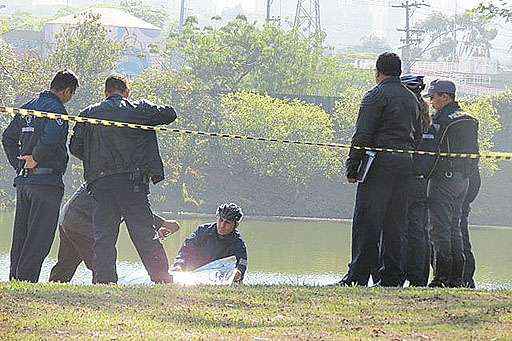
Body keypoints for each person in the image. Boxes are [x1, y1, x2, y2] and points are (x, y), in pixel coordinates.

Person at [69, 74, 177, 284]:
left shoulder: (88, 113)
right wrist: (143, 105)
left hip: (101, 183)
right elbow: (170, 114)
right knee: (145, 233)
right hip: (132, 182)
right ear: (126, 92)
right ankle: (162, 278)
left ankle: (104, 280)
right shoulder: (137, 109)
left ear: (106, 92)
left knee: (104, 236)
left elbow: (75, 147)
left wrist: (96, 160)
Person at [339, 53, 421, 287]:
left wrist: (352, 166)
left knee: (367, 221)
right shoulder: (412, 98)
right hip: (405, 164)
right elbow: (416, 136)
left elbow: (362, 135)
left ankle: (358, 276)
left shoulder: (375, 95)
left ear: (378, 72)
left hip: (378, 164)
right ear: (398, 71)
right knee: (396, 223)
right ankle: (392, 277)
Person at [2, 70, 79, 282]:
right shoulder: (56, 110)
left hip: (25, 181)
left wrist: (20, 164)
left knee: (22, 235)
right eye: (70, 94)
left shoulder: (27, 107)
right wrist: (35, 158)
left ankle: (16, 279)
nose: (69, 99)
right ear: (66, 91)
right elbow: (52, 137)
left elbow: (7, 137)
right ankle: (26, 280)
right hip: (46, 183)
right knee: (39, 237)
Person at [49, 185, 180, 283]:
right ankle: (103, 294)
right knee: (101, 264)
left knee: (66, 263)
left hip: (67, 218)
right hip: (83, 221)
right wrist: (163, 223)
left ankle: (54, 291)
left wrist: (158, 225)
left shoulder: (107, 173)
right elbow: (135, 210)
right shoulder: (126, 182)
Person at [423, 79, 479, 288]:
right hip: (463, 180)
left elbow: (430, 151)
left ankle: (441, 277)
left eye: (433, 96)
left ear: (445, 96)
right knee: (455, 227)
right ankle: (458, 277)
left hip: (442, 180)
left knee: (439, 229)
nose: (431, 101)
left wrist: (422, 174)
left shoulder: (442, 119)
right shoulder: (469, 119)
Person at [401, 74, 432, 286]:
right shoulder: (428, 120)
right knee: (418, 230)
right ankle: (419, 278)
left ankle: (395, 274)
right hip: (423, 181)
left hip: (405, 179)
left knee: (398, 228)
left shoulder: (406, 117)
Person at [172, 203, 248, 283]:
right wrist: (178, 265)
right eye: (221, 220)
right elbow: (186, 249)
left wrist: (239, 272)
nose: (222, 225)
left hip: (217, 278)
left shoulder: (238, 243)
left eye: (227, 222)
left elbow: (242, 262)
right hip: (192, 274)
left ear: (235, 225)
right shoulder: (202, 231)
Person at [460, 168, 481, 288]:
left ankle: (466, 279)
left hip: (461, 204)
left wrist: (465, 201)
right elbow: (475, 184)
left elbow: (475, 183)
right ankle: (466, 280)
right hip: (463, 202)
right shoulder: (471, 160)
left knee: (462, 242)